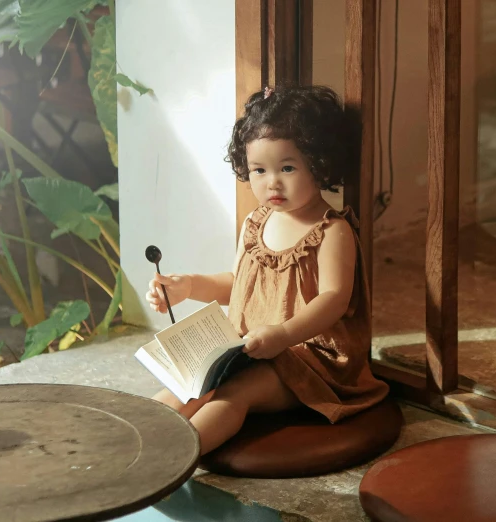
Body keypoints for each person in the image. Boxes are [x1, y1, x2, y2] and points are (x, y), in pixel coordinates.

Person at [146, 85, 388, 456]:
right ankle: (132, 447)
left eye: (287, 168)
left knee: (232, 394)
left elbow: (334, 300)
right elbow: (238, 285)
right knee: (185, 385)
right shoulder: (255, 223)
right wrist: (187, 286)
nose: (272, 182)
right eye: (259, 170)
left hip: (309, 358)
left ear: (319, 164)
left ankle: (173, 461)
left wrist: (284, 334)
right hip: (248, 347)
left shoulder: (330, 231)